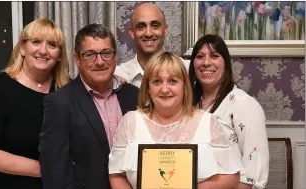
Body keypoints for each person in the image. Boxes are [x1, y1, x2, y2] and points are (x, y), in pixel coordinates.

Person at [109, 51, 244, 189]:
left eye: (173, 81)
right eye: (157, 81)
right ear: (148, 88)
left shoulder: (208, 123)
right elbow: (116, 174)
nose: (165, 89)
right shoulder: (130, 122)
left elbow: (231, 177)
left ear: (184, 86)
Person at [0, 18, 70, 189]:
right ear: (23, 48)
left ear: (60, 55)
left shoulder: (69, 90)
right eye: (36, 42)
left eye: (52, 45)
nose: (43, 50)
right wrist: (46, 169)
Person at [39, 23, 139, 189]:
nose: (99, 62)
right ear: (77, 59)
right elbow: (55, 171)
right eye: (90, 55)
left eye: (106, 53)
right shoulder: (59, 103)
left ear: (115, 56)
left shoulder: (134, 96)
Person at [188, 34, 269, 189]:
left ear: (225, 63)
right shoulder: (188, 104)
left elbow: (253, 176)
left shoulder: (244, 105)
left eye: (214, 56)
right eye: (199, 57)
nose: (206, 63)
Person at [114, 2, 190, 88]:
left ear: (165, 30)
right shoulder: (118, 75)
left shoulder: (186, 69)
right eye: (141, 26)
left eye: (155, 25)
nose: (148, 33)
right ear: (132, 32)